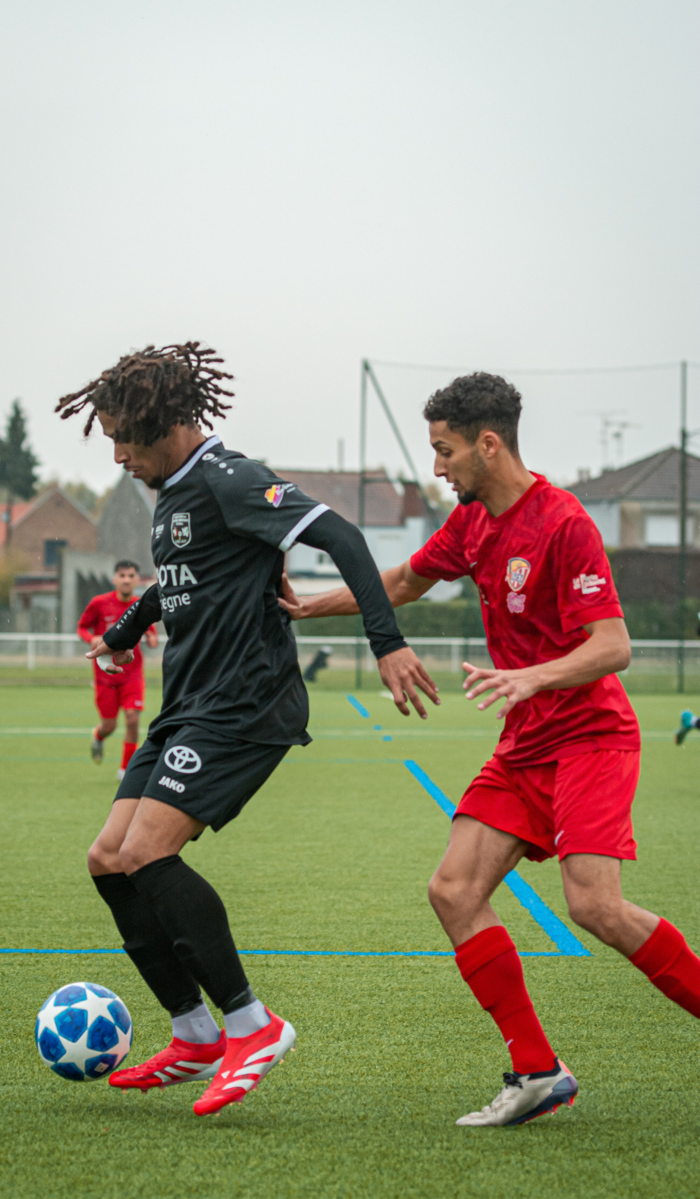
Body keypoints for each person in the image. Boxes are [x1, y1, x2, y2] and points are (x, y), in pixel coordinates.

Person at [280, 372, 700, 1127]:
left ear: (489, 443)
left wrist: (531, 677)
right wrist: (307, 608)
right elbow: (404, 581)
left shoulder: (565, 523)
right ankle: (537, 1073)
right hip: (527, 743)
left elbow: (613, 646)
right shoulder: (473, 523)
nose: (437, 467)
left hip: (591, 737)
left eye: (445, 451)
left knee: (593, 905)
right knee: (453, 891)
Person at [55, 341, 437, 1116]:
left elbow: (343, 537)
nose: (119, 456)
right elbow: (178, 583)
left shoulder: (230, 478)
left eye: (124, 439)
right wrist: (123, 633)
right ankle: (194, 1034)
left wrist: (387, 642)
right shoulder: (173, 493)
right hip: (188, 706)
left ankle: (252, 1026)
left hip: (246, 702)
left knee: (147, 851)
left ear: (165, 423)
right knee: (108, 861)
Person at [77, 561, 159, 780]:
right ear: (114, 579)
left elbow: (152, 634)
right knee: (109, 725)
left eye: (131, 575)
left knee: (133, 720)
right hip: (105, 677)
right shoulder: (99, 603)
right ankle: (98, 735)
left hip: (133, 675)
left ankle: (125, 770)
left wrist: (152, 638)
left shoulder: (142, 605)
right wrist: (92, 638)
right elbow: (81, 628)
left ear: (137, 579)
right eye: (122, 575)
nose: (126, 580)